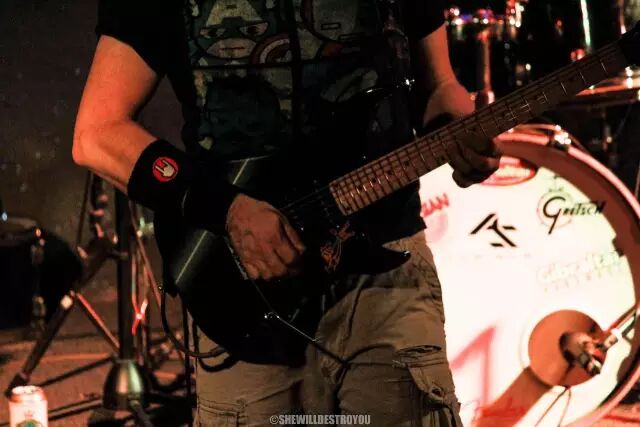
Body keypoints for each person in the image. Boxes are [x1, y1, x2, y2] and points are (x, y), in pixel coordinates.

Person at [73, 1, 500, 425]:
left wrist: (457, 128)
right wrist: (228, 211)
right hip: (249, 285)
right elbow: (97, 133)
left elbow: (439, 85)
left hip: (388, 266)